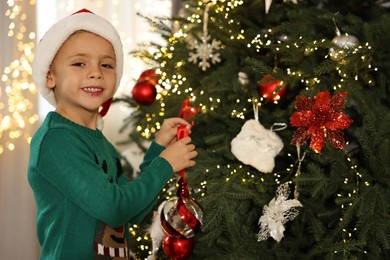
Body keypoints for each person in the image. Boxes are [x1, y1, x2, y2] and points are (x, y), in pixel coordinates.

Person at [28, 9, 197, 260]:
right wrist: (165, 164)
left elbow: (131, 212)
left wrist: (158, 150)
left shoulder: (100, 141)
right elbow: (114, 208)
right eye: (79, 63)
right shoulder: (57, 139)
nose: (95, 72)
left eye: (106, 64)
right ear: (50, 76)